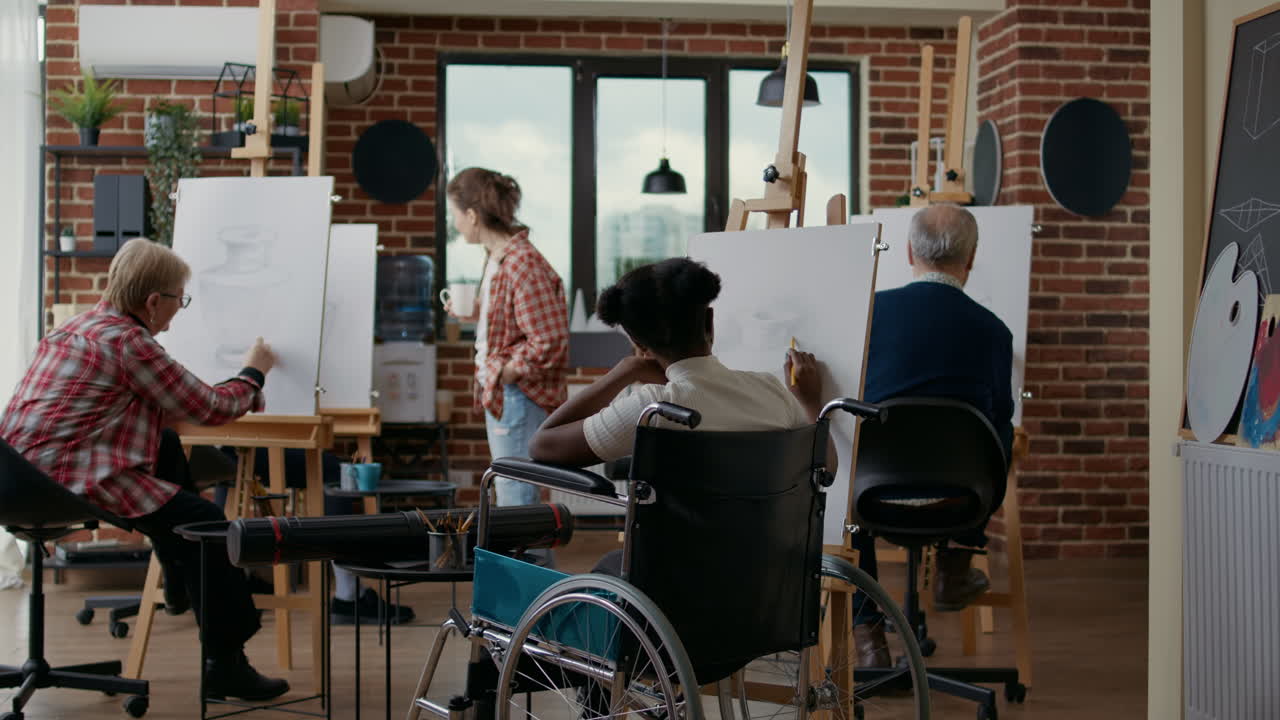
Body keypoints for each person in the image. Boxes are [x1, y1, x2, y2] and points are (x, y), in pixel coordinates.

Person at [0, 238, 289, 701]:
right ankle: (226, 666)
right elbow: (211, 407)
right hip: (57, 483)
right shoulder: (129, 342)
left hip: (12, 477)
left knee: (167, 444)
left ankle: (176, 575)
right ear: (154, 301)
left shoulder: (77, 327)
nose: (179, 310)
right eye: (179, 299)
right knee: (210, 526)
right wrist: (253, 373)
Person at [852, 204, 1015, 668]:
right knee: (1000, 431)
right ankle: (955, 565)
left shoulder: (869, 315)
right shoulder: (993, 332)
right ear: (972, 257)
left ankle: (868, 641)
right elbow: (999, 419)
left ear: (907, 252)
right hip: (961, 500)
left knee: (842, 453)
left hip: (870, 497)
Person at [529, 257, 830, 481]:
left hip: (674, 564)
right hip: (765, 560)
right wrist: (811, 401)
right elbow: (826, 467)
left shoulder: (653, 409)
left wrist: (625, 371)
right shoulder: (772, 391)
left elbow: (542, 445)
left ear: (638, 342)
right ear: (710, 322)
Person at [444, 167, 569, 508]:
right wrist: (476, 312)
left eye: (455, 214)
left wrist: (506, 372)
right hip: (508, 394)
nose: (454, 224)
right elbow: (514, 319)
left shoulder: (521, 263)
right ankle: (526, 561)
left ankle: (527, 563)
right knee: (515, 497)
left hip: (518, 395)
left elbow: (549, 339)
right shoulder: (499, 259)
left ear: (471, 216)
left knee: (517, 501)